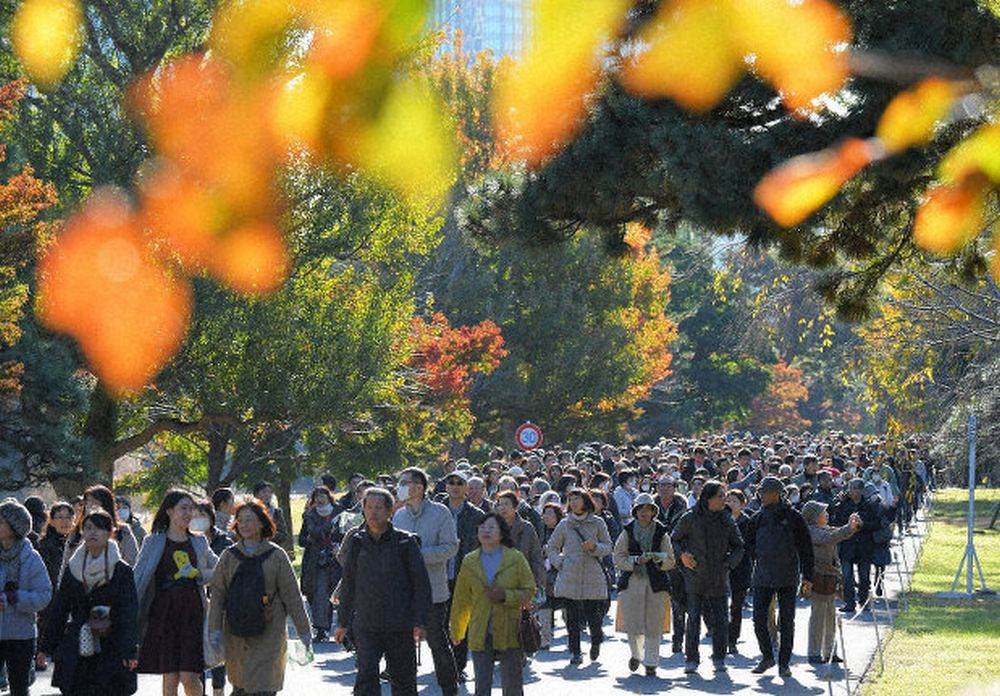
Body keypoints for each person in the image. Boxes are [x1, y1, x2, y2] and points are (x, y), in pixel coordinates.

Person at [208, 498, 311, 696]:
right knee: (241, 686)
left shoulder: (277, 555)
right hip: (236, 631)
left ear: (262, 523)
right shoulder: (229, 556)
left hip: (270, 631)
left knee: (264, 687)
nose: (244, 525)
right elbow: (218, 594)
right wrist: (214, 630)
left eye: (249, 520)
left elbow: (292, 596)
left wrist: (304, 632)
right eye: (241, 520)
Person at [335, 487, 432, 696]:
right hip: (367, 625)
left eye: (379, 507)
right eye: (369, 507)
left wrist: (420, 621)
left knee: (404, 680)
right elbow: (349, 583)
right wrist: (342, 622)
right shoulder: (357, 542)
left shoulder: (405, 541)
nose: (373, 512)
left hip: (400, 624)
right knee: (366, 679)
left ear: (390, 512)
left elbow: (421, 585)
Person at [39, 510, 137, 696]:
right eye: (88, 527)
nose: (93, 532)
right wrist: (46, 647)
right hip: (77, 645)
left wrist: (129, 651)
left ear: (110, 532)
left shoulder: (121, 570)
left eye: (99, 528)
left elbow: (129, 613)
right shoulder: (73, 568)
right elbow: (60, 609)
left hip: (111, 646)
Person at [134, 490, 218, 696]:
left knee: (190, 677)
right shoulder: (152, 542)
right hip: (163, 613)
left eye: (191, 509)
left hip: (193, 612)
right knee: (170, 677)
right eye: (183, 508)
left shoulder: (199, 542)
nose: (188, 513)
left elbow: (219, 571)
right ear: (170, 511)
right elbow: (138, 578)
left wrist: (197, 573)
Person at [449, 513, 535, 696]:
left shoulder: (515, 558)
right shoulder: (469, 560)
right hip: (481, 627)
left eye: (491, 528)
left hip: (510, 627)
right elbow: (461, 599)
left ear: (502, 533)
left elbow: (530, 591)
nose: (485, 531)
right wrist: (457, 630)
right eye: (482, 527)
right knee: (481, 685)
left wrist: (506, 595)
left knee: (512, 684)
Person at [742, 476, 815, 677]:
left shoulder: (794, 517)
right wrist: (756, 555)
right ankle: (767, 656)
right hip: (762, 576)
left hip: (788, 577)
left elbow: (806, 549)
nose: (761, 496)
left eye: (764, 492)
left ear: (776, 493)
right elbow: (746, 545)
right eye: (760, 492)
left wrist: (807, 577)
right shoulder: (756, 518)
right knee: (758, 620)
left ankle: (784, 663)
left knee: (787, 621)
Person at [671, 480, 744, 675]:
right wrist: (682, 556)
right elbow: (674, 540)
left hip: (719, 576)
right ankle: (691, 659)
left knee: (721, 620)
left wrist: (729, 564)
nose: (724, 500)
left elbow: (739, 546)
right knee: (693, 618)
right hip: (695, 576)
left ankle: (719, 657)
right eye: (720, 496)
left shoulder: (726, 519)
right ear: (708, 498)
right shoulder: (690, 517)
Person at [546, 488, 612, 665]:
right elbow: (551, 547)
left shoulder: (597, 523)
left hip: (592, 573)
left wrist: (595, 547)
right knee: (572, 617)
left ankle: (596, 642)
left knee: (594, 616)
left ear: (585, 500)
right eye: (570, 499)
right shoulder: (564, 524)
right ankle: (575, 651)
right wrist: (559, 562)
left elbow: (608, 546)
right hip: (570, 575)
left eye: (577, 499)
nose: (573, 502)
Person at [612, 493, 676, 677]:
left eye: (648, 509)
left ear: (653, 511)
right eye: (640, 509)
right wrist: (634, 561)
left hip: (656, 583)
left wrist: (656, 558)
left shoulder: (662, 532)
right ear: (635, 511)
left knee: (653, 624)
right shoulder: (627, 531)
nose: (644, 512)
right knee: (633, 623)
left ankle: (651, 663)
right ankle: (636, 655)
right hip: (632, 582)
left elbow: (670, 559)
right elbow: (618, 556)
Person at [0, 499, 52, 696]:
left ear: (14, 528)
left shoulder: (31, 558)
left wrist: (15, 598)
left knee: (19, 688)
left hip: (21, 634)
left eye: (1, 521)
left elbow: (44, 595)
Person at [802, 500, 860, 664]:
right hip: (818, 578)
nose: (826, 515)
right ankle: (814, 652)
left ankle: (829, 652)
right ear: (814, 517)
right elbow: (832, 536)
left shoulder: (823, 529)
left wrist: (852, 526)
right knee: (818, 617)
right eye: (823, 512)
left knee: (830, 617)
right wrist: (849, 526)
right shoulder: (812, 532)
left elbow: (839, 533)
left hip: (830, 578)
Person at [442, 469, 485, 681]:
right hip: (439, 576)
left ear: (466, 488)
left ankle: (458, 667)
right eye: (451, 482)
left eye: (460, 483)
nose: (455, 486)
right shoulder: (437, 512)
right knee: (440, 623)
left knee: (461, 623)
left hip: (465, 576)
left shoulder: (477, 515)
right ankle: (445, 663)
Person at [192, 501, 232, 696]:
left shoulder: (224, 541)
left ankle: (219, 690)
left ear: (210, 517)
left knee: (216, 650)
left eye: (202, 514)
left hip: (218, 604)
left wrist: (199, 575)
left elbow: (224, 571)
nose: (197, 519)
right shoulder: (188, 540)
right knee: (197, 653)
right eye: (194, 514)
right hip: (195, 605)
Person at [60, 486, 139, 579]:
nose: (89, 506)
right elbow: (65, 567)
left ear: (105, 505)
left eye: (93, 502)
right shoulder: (76, 533)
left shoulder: (122, 531)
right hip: (80, 587)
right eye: (87, 502)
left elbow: (133, 563)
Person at [829, 478, 879, 613]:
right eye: (850, 488)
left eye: (855, 488)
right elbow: (834, 522)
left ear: (861, 490)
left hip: (864, 546)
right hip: (847, 546)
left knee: (864, 576)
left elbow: (877, 524)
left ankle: (864, 602)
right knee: (847, 577)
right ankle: (849, 603)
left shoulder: (869, 505)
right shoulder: (842, 504)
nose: (852, 491)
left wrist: (863, 525)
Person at [298, 486, 341, 643]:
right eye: (317, 496)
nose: (320, 499)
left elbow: (345, 532)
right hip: (318, 561)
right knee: (320, 594)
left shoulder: (339, 511)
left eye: (323, 495)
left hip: (339, 558)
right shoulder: (309, 515)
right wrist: (314, 536)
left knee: (342, 593)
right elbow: (306, 537)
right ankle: (322, 629)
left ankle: (346, 629)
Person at [35, 501, 73, 667]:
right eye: (60, 517)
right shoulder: (44, 546)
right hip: (49, 602)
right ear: (51, 520)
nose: (65, 521)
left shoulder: (77, 544)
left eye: (68, 517)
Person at [725, 489, 753, 655]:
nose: (730, 503)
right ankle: (721, 636)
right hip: (721, 566)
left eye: (734, 501)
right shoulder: (721, 519)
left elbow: (748, 546)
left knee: (736, 606)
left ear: (742, 504)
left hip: (741, 567)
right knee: (720, 605)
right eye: (728, 500)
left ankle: (732, 639)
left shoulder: (747, 521)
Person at [538, 502, 563, 649]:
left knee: (567, 606)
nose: (546, 517)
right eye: (544, 513)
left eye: (550, 514)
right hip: (544, 576)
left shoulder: (565, 530)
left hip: (562, 573)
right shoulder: (540, 530)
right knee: (544, 605)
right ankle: (545, 638)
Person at [252, 482, 289, 551]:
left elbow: (283, 535)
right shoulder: (248, 511)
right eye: (264, 492)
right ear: (256, 494)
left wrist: (268, 534)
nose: (267, 495)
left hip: (271, 551)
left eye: (270, 492)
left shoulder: (276, 512)